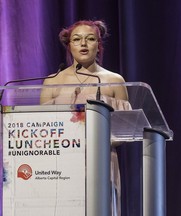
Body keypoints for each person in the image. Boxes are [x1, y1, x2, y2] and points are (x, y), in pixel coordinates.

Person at [40, 20, 131, 216]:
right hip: (61, 164)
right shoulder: (53, 81)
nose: (83, 44)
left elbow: (125, 131)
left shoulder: (114, 80)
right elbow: (42, 128)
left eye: (90, 39)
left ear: (98, 45)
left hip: (101, 161)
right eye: (76, 39)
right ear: (69, 44)